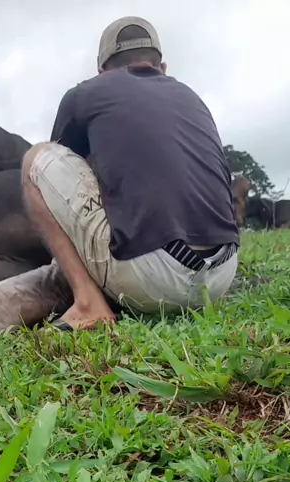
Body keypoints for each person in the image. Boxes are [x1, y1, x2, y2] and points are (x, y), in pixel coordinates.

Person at [21, 16, 240, 331]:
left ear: (102, 71)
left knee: (36, 159)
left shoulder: (85, 94)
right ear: (162, 67)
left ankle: (88, 304)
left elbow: (68, 167)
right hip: (221, 276)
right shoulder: (191, 96)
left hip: (151, 279)